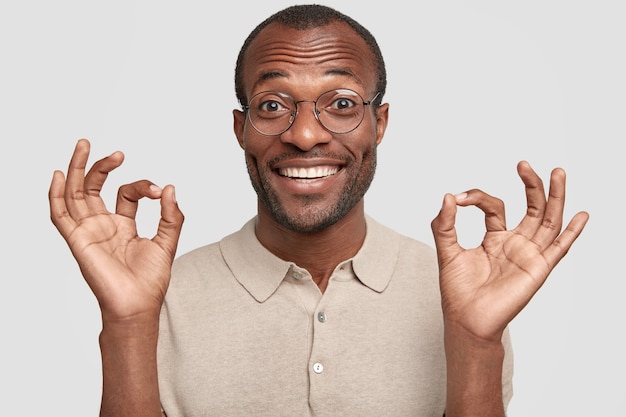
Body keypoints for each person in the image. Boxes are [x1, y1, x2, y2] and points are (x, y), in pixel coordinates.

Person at [48, 4, 589, 417]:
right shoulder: (157, 295)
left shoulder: (461, 292)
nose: (305, 135)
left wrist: (476, 343)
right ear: (241, 130)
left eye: (343, 105)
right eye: (273, 106)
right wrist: (127, 324)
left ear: (380, 124)